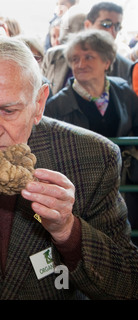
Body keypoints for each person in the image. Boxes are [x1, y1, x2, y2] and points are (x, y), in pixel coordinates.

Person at [0, 36, 138, 299]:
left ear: (39, 103)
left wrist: (68, 230)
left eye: (8, 111)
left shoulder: (93, 157)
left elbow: (128, 284)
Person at [45, 29, 138, 238]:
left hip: (124, 183)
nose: (80, 64)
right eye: (75, 58)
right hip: (82, 188)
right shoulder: (57, 106)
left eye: (89, 57)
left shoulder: (124, 91)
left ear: (107, 61)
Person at [42, 2, 133, 95]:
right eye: (106, 24)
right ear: (88, 25)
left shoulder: (125, 67)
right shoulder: (54, 55)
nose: (112, 31)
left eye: (117, 26)